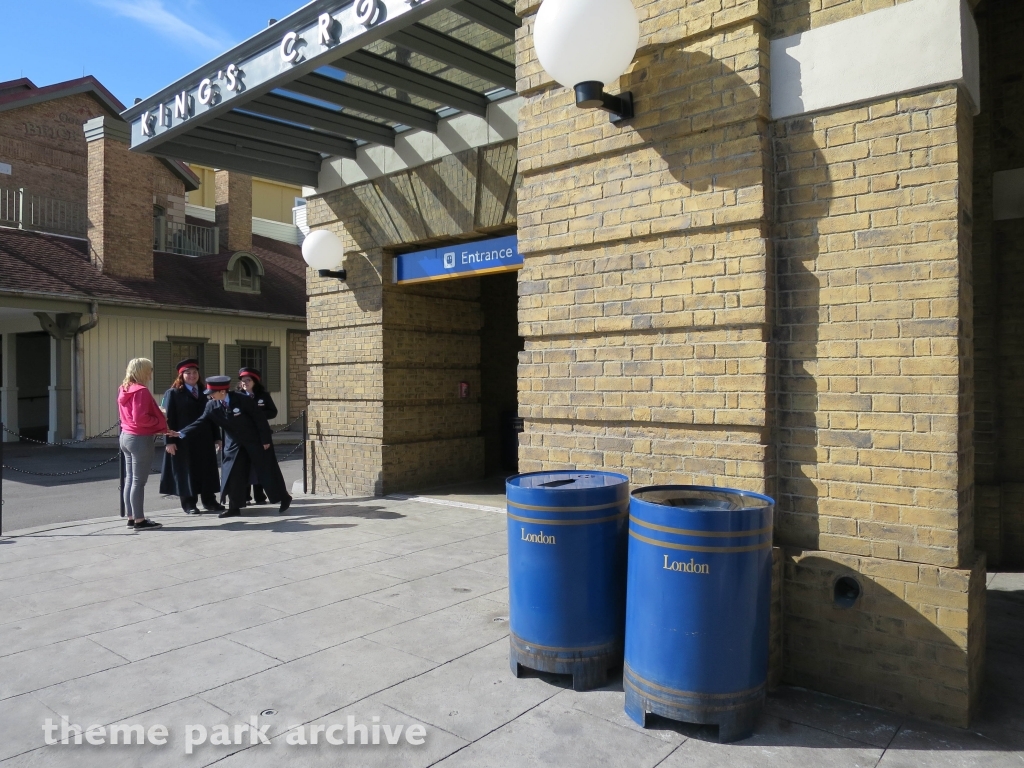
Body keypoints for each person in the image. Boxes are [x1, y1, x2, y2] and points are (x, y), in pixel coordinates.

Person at [177, 376, 292, 518]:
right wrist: (181, 433)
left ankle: (284, 497)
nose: (210, 396)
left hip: (255, 441)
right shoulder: (212, 405)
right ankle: (234, 507)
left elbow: (259, 419)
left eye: (212, 392)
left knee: (266, 470)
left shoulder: (243, 400)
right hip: (233, 444)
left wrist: (265, 439)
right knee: (232, 474)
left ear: (223, 391)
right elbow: (201, 422)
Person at [158, 359, 225, 515]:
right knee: (187, 472)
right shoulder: (173, 393)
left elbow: (212, 416)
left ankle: (210, 501)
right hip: (183, 441)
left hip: (204, 439)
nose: (192, 375)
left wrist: (217, 437)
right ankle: (189, 504)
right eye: (188, 373)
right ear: (181, 375)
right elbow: (167, 419)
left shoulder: (205, 392)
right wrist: (169, 441)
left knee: (207, 471)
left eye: (195, 372)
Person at [117, 358, 178, 530]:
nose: (151, 373)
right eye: (149, 370)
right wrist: (162, 420)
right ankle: (139, 520)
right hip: (140, 438)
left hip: (126, 436)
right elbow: (141, 418)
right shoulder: (141, 391)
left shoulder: (124, 388)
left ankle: (131, 517)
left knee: (130, 479)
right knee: (138, 481)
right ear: (143, 371)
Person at [237, 367, 277, 505]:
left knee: (260, 466)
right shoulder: (237, 396)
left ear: (255, 381)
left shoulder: (263, 396)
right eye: (243, 381)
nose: (245, 383)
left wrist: (258, 416)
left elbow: (273, 412)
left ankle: (260, 496)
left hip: (260, 435)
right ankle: (245, 496)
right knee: (245, 466)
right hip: (244, 436)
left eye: (248, 380)